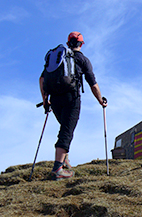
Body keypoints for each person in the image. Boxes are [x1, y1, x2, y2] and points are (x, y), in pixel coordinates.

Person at [39, 31, 107, 180]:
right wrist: (101, 100)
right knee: (67, 131)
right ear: (81, 44)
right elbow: (93, 85)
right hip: (71, 98)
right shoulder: (83, 60)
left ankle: (65, 161)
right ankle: (58, 169)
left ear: (68, 43)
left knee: (65, 128)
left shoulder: (58, 58)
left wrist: (45, 100)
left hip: (55, 99)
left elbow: (42, 79)